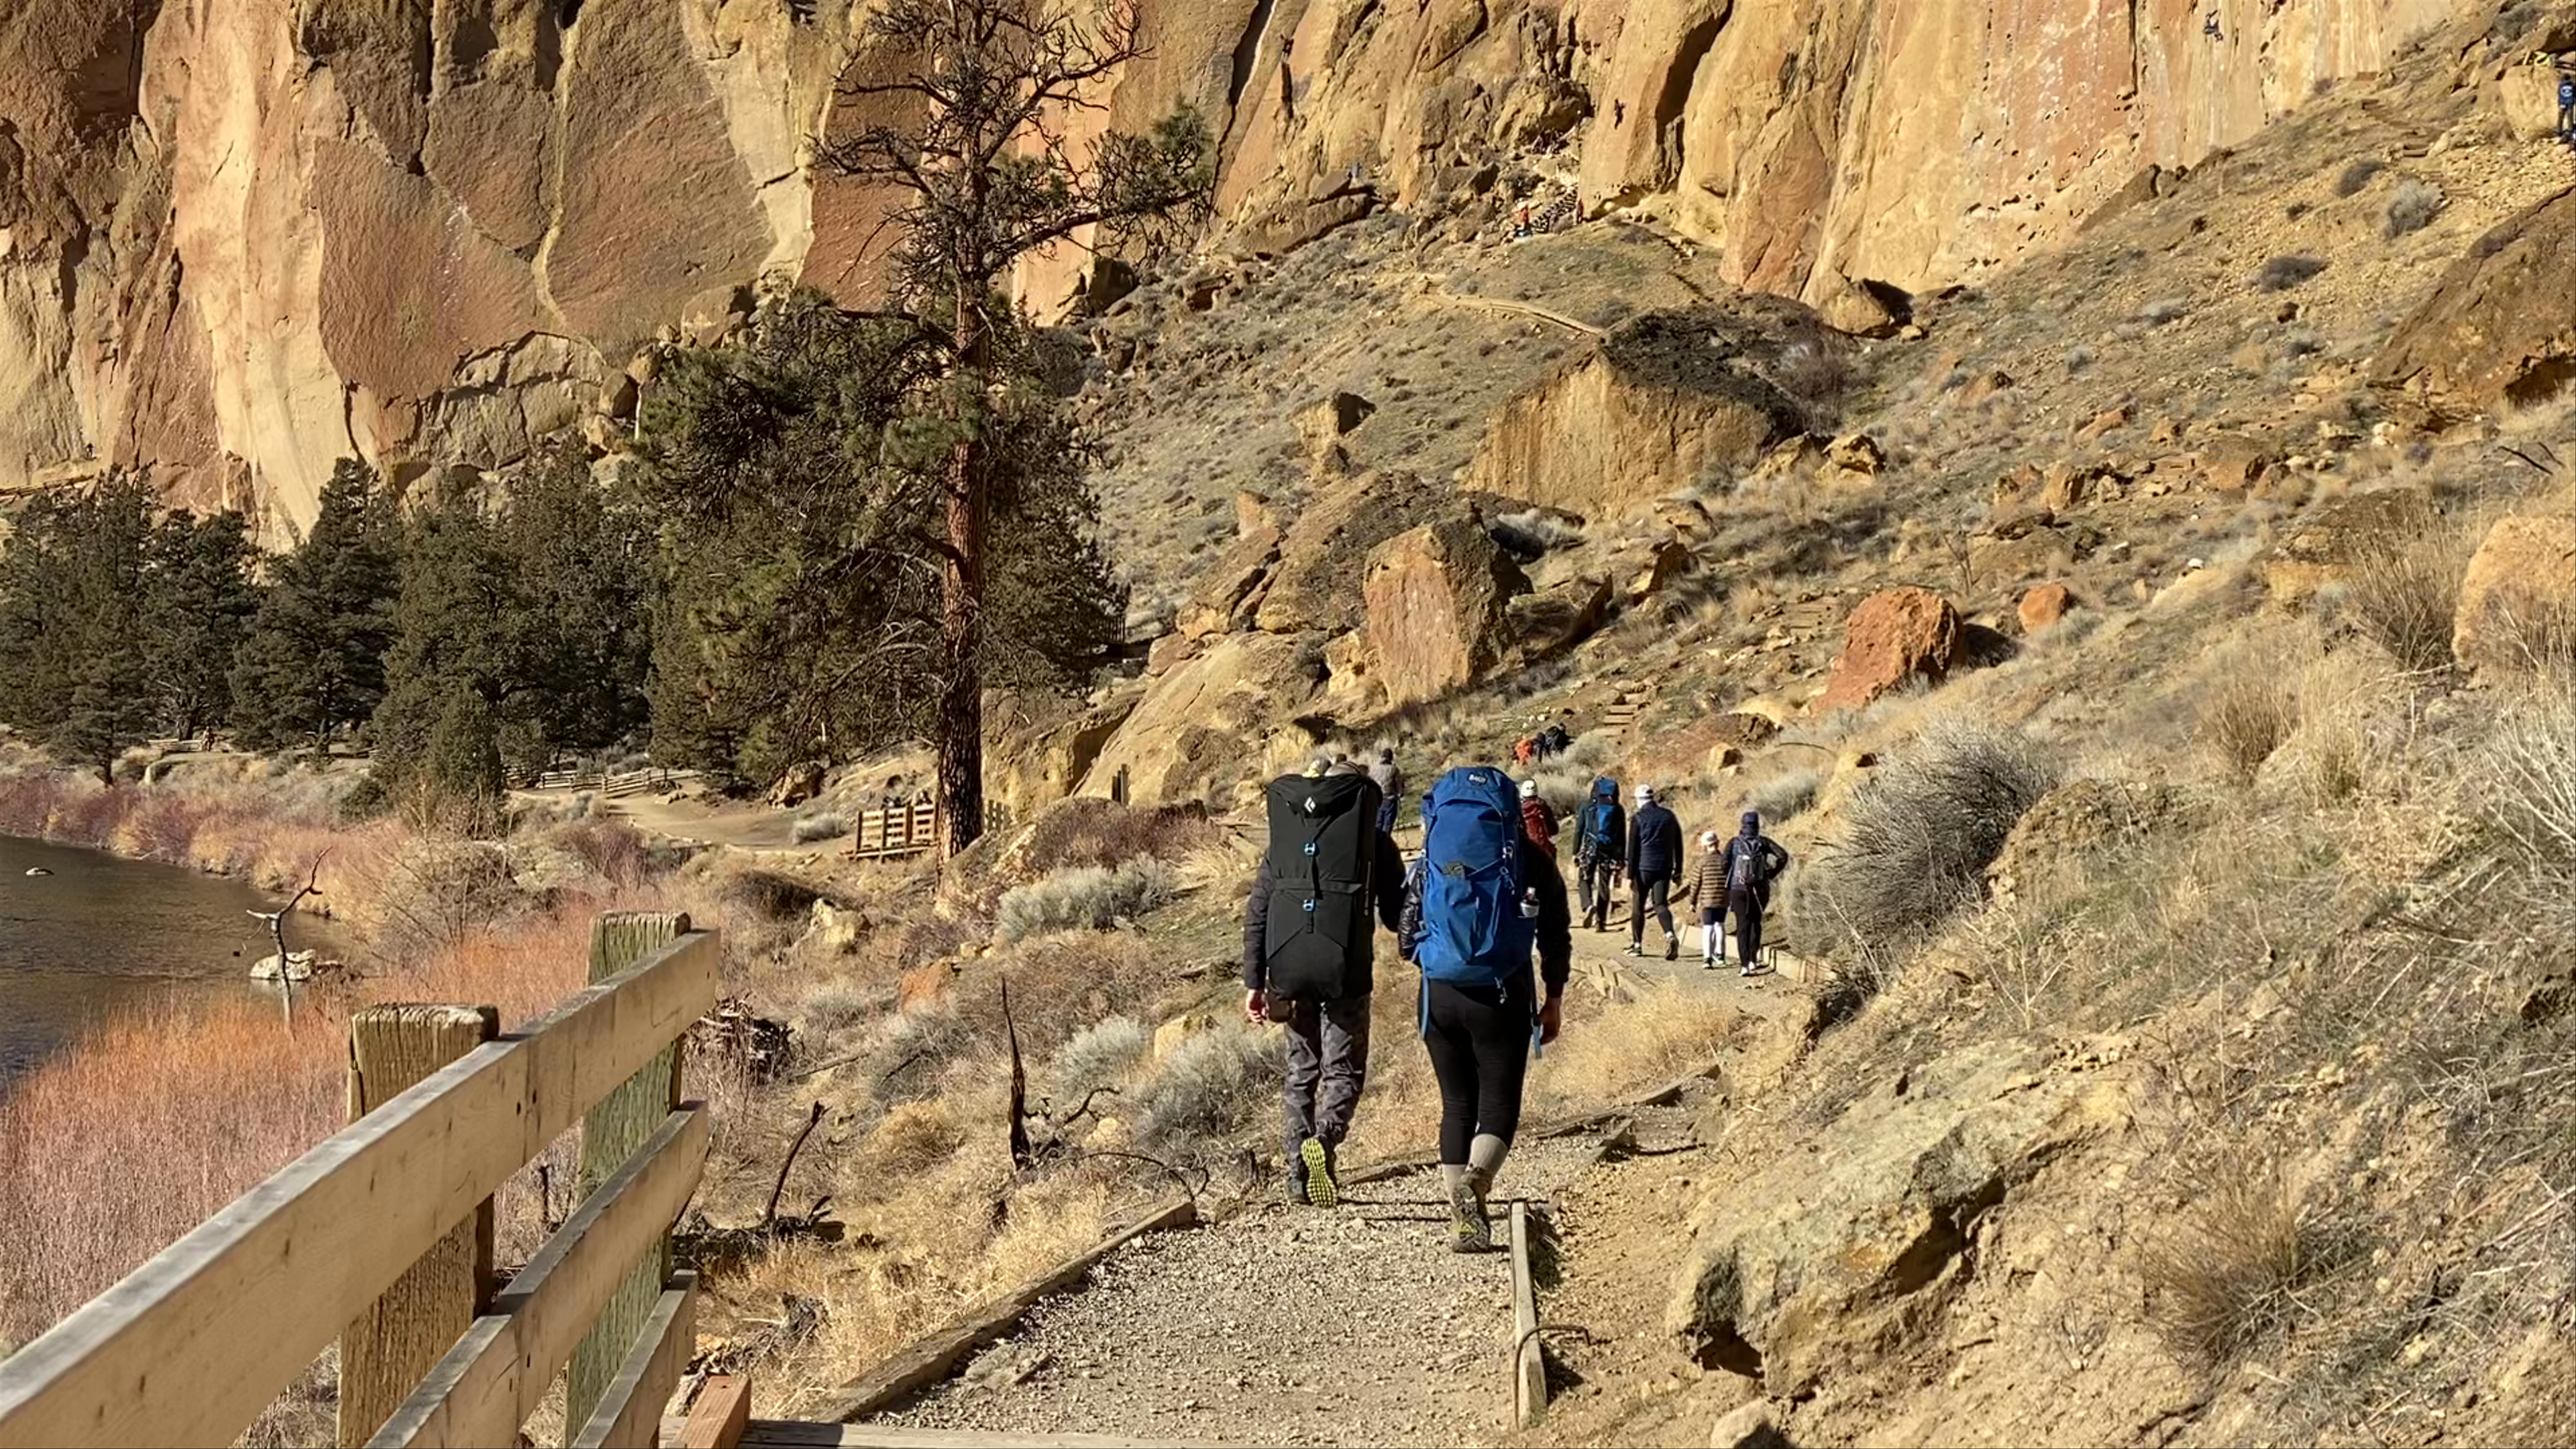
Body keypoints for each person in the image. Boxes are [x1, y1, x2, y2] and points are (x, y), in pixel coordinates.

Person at [1399, 766, 1570, 1252]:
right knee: (1498, 1105)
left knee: (1456, 1105)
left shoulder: (1430, 858)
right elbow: (1555, 935)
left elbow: (1404, 936)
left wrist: (1439, 957)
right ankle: (1476, 1181)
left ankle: (1461, 1220)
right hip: (1502, 991)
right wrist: (1553, 997)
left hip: (1439, 996)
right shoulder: (1533, 860)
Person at [1244, 760, 1406, 1206]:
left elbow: (1259, 912)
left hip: (1289, 971)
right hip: (1346, 972)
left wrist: (1254, 982)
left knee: (1301, 1073)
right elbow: (1397, 917)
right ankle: (1326, 1141)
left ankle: (1297, 1173)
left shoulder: (1285, 843)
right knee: (1344, 1070)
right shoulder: (1373, 841)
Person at [1721, 810, 1792, 978]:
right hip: (1760, 889)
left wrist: (1732, 876)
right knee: (1756, 922)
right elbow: (1783, 856)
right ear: (1757, 825)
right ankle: (1753, 960)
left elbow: (1724, 864)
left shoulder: (1734, 843)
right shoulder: (1764, 842)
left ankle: (1744, 965)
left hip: (1738, 889)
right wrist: (1771, 874)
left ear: (1742, 825)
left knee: (1742, 925)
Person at [1626, 784, 1683, 961]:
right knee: (1660, 905)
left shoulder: (1638, 818)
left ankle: (1637, 945)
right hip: (1664, 868)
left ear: (1639, 800)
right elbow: (1678, 844)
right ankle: (1669, 934)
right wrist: (1678, 870)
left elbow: (1633, 850)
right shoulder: (1669, 816)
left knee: (1638, 907)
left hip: (1643, 869)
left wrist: (1630, 875)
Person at [1572, 777, 1623, 931]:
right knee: (1604, 885)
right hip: (1608, 851)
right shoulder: (1618, 809)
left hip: (1589, 849)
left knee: (1584, 879)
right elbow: (1622, 835)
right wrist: (1620, 857)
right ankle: (1600, 923)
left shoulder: (1586, 807)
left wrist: (1575, 852)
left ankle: (1588, 905)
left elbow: (1579, 830)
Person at [1678, 830, 1729, 969]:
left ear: (1705, 846)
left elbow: (1695, 884)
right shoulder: (1726, 861)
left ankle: (1707, 958)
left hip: (1707, 900)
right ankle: (1720, 956)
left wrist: (1692, 902)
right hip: (1723, 899)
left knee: (1708, 928)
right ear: (1717, 843)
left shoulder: (1701, 862)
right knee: (1720, 926)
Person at [1518, 779, 1558, 859]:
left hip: (1526, 853)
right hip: (1545, 851)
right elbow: (1554, 830)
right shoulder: (1544, 808)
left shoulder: (1518, 811)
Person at [1369, 747, 1405, 836]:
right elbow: (1399, 785)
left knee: (1378, 822)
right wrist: (1400, 794)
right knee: (1388, 823)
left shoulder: (1373, 769)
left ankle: (1376, 843)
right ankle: (1384, 843)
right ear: (1391, 757)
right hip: (1389, 799)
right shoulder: (1394, 769)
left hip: (1376, 799)